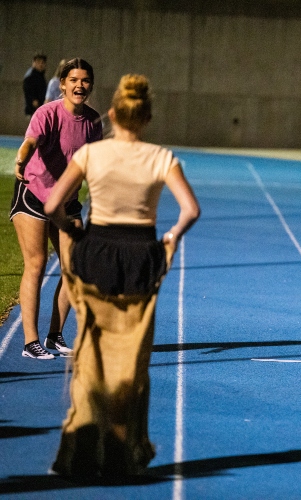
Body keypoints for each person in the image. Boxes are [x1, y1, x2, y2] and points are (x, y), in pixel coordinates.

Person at [45, 74, 200, 477]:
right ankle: (124, 453)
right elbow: (191, 210)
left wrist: (71, 229)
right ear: (146, 118)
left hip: (95, 253)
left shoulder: (92, 154)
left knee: (89, 357)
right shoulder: (162, 157)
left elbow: (52, 205)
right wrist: (171, 236)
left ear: (112, 114)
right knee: (132, 362)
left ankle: (77, 454)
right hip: (142, 260)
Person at [11, 58, 102, 360]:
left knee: (72, 268)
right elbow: (30, 142)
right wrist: (22, 159)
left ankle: (54, 336)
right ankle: (30, 342)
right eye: (73, 80)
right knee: (36, 265)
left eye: (85, 80)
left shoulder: (92, 122)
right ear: (62, 84)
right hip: (34, 194)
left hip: (67, 202)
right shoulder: (46, 113)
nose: (80, 85)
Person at [23, 52, 47, 117]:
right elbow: (28, 92)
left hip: (40, 108)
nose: (41, 64)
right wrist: (34, 101)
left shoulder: (41, 75)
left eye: (43, 62)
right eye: (39, 62)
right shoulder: (31, 76)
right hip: (33, 109)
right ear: (34, 62)